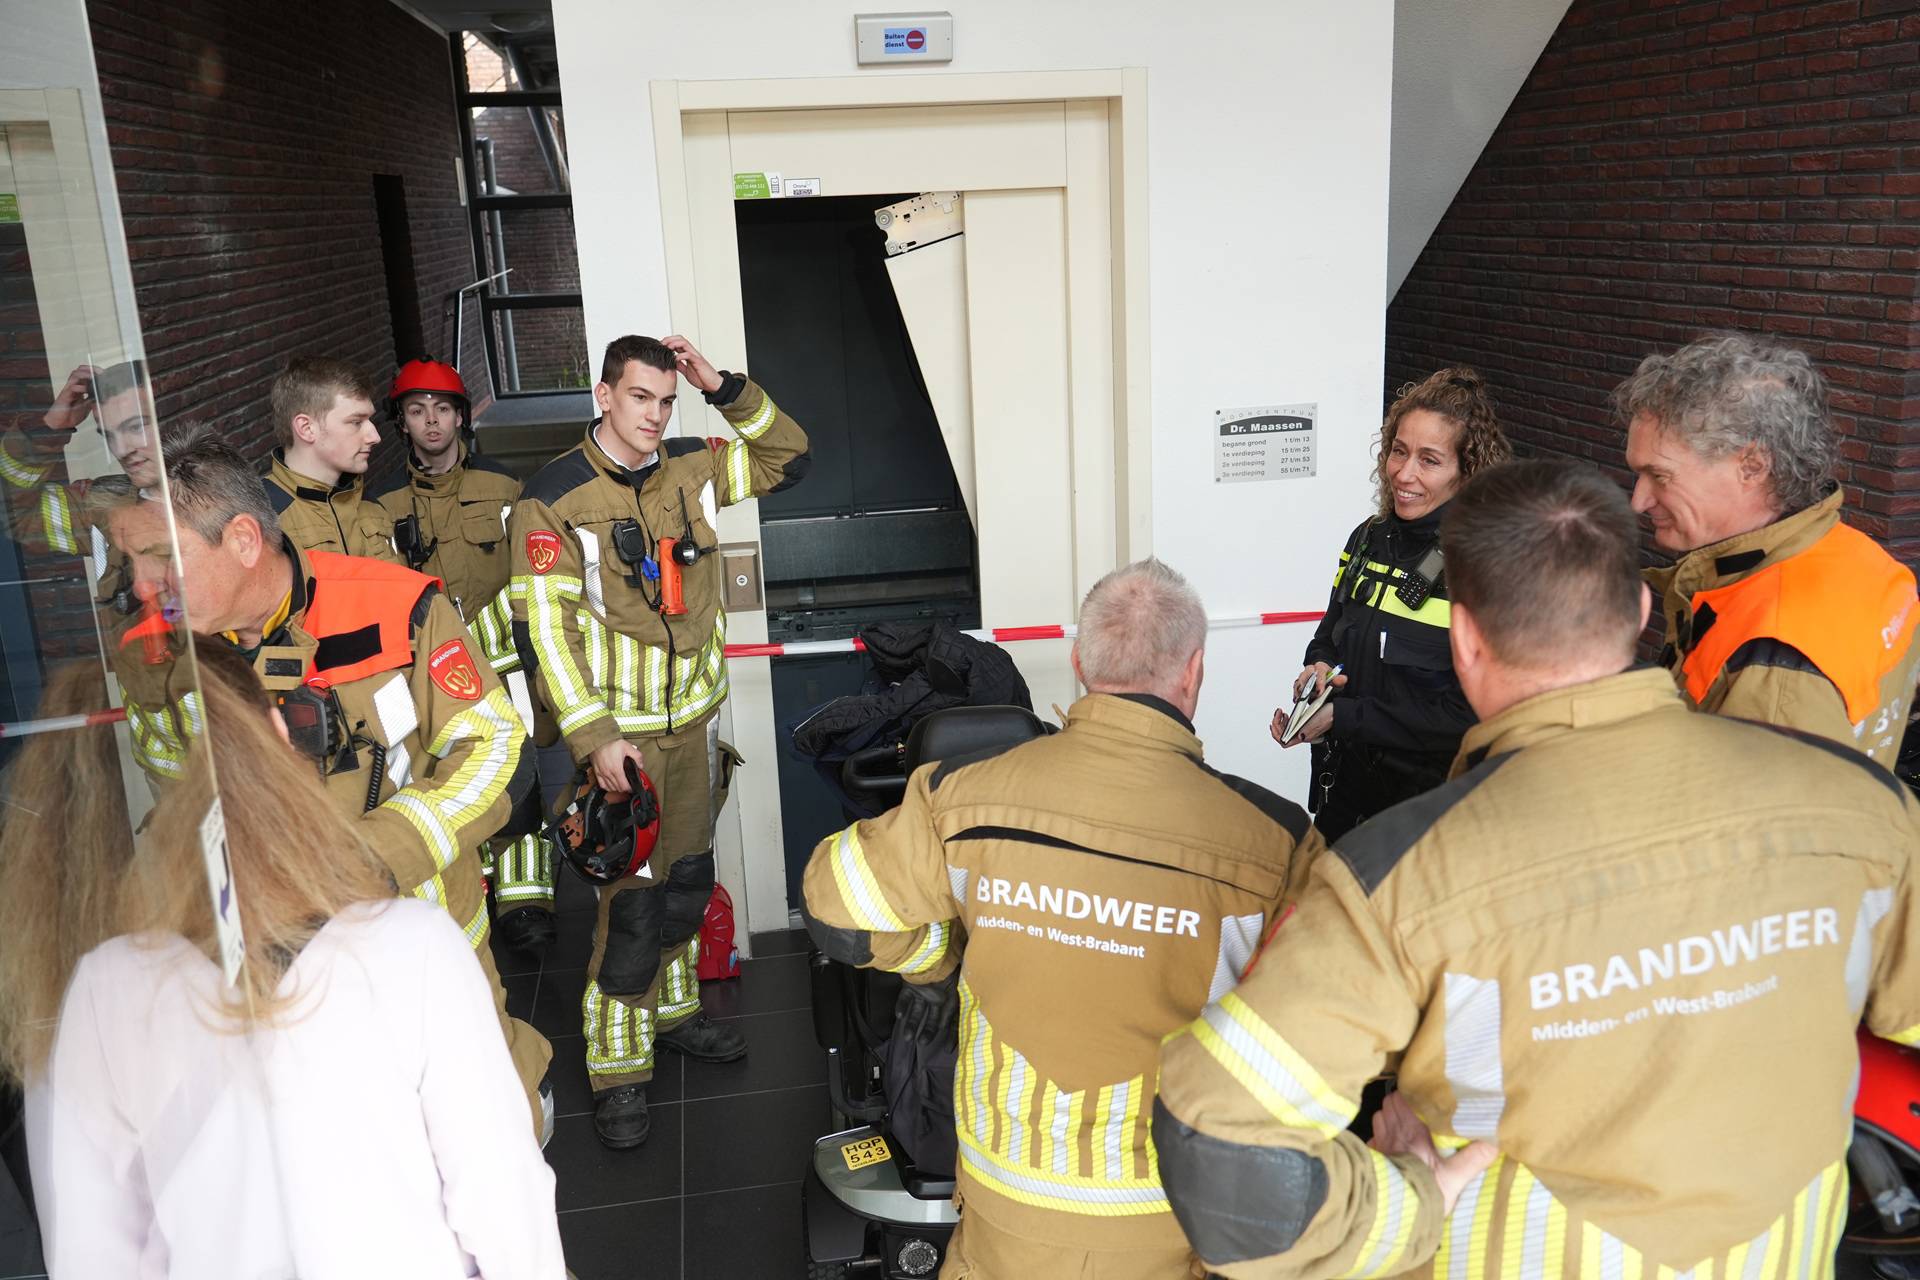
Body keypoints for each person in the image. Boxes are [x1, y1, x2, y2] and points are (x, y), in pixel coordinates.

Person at [1154, 459, 1920, 1280]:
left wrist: (1405, 1204)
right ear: (1636, 613)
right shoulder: (1866, 808)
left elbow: (1216, 1142)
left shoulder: (1397, 875)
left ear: (1465, 640)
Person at [803, 558, 1320, 1280]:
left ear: (1079, 663)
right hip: (1178, 1213)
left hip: (1005, 1203)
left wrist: (940, 956)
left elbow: (836, 908)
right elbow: (1318, 1031)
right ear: (1195, 672)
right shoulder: (1276, 842)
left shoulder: (960, 798)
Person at [0, 644, 567, 1279]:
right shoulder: (414, 949)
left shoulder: (103, 996)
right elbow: (505, 1211)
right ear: (280, 736)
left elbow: (93, 1258)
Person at [103, 427, 552, 1134]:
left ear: (245, 541)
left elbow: (493, 750)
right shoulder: (154, 656)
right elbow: (171, 788)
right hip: (280, 969)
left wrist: (372, 858)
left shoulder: (395, 607)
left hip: (421, 933)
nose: (141, 587)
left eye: (161, 560)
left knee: (480, 1121)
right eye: (131, 563)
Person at [510, 333, 810, 1149]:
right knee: (634, 912)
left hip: (696, 726)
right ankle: (618, 1073)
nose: (655, 415)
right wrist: (595, 737)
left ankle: (671, 1018)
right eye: (641, 397)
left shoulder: (693, 468)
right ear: (603, 396)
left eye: (667, 400)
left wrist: (725, 387)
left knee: (685, 882)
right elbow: (546, 632)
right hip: (624, 748)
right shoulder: (553, 499)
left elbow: (788, 454)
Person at [1623, 332, 1920, 764]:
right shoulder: (1862, 559)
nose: (1638, 500)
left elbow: (1764, 831)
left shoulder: (1773, 661)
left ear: (1753, 466)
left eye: (1660, 476)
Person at [1274, 367, 1511, 840]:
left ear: (1468, 470)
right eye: (1399, 452)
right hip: (1345, 797)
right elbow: (1330, 633)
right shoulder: (1367, 539)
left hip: (1428, 818)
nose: (1404, 474)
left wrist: (1344, 716)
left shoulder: (1486, 566)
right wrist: (1318, 672)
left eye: (1430, 460)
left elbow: (1472, 718)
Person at [369, 357, 554, 955]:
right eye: (417, 411)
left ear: (460, 418)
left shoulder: (503, 488)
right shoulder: (381, 506)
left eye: (442, 410)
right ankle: (471, 890)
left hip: (501, 666)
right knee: (446, 779)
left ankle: (527, 903)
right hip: (429, 680)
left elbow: (532, 571)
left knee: (519, 782)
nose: (431, 422)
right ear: (401, 421)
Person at [262, 356, 400, 560]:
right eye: (356, 422)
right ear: (306, 428)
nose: (375, 437)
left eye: (369, 420)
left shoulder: (372, 508)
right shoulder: (263, 519)